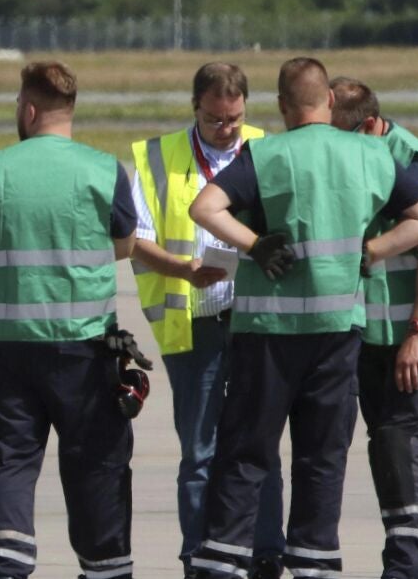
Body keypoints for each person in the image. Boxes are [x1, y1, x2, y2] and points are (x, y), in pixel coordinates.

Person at [183, 58, 418, 579]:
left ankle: (222, 561)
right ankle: (315, 562)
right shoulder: (372, 155)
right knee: (321, 458)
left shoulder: (266, 154)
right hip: (336, 334)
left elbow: (204, 208)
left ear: (282, 106)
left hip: (266, 336)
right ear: (328, 101)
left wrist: (256, 244)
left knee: (246, 453)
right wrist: (370, 251)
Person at [0, 61, 148, 579]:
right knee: (96, 463)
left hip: (6, 348)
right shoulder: (104, 170)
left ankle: (7, 565)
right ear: (70, 110)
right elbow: (123, 244)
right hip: (85, 348)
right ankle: (107, 567)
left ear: (27, 110)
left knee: (9, 460)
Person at [128, 63, 286, 578]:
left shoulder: (267, 147)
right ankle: (199, 553)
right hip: (191, 318)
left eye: (235, 119)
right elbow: (135, 238)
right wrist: (181, 269)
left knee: (259, 439)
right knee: (199, 447)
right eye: (217, 120)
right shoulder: (156, 157)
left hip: (256, 316)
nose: (227, 129)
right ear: (195, 106)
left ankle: (265, 551)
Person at [331, 77, 418, 579]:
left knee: (400, 438)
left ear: (367, 125)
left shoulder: (409, 161)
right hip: (371, 329)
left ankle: (408, 566)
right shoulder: (356, 154)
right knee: (381, 440)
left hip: (415, 329)